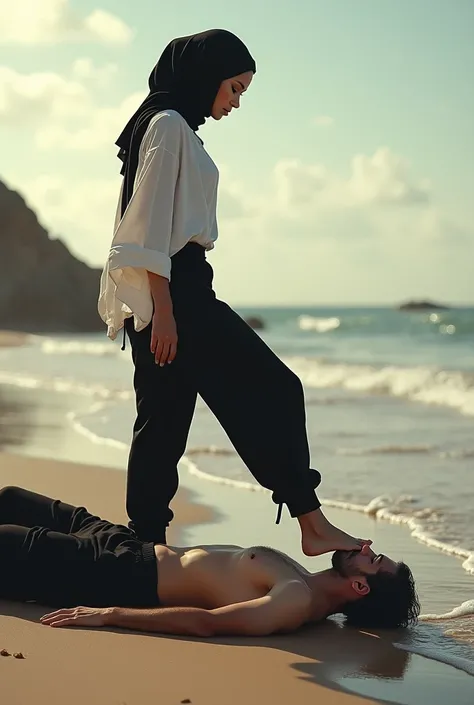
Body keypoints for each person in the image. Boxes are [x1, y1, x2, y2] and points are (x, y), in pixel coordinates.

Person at [98, 28, 370, 556]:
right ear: (206, 76)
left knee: (164, 422)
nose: (236, 102)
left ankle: (146, 545)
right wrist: (167, 313)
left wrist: (156, 308)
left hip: (172, 292)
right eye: (235, 88)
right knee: (278, 389)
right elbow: (149, 224)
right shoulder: (169, 126)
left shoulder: (169, 127)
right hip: (180, 292)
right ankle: (310, 523)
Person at [1, 486, 420, 634]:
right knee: (11, 499)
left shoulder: (294, 600)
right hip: (125, 542)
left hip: (113, 571)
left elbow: (208, 624)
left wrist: (110, 614)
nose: (365, 547)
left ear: (360, 587)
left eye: (374, 559)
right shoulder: (305, 584)